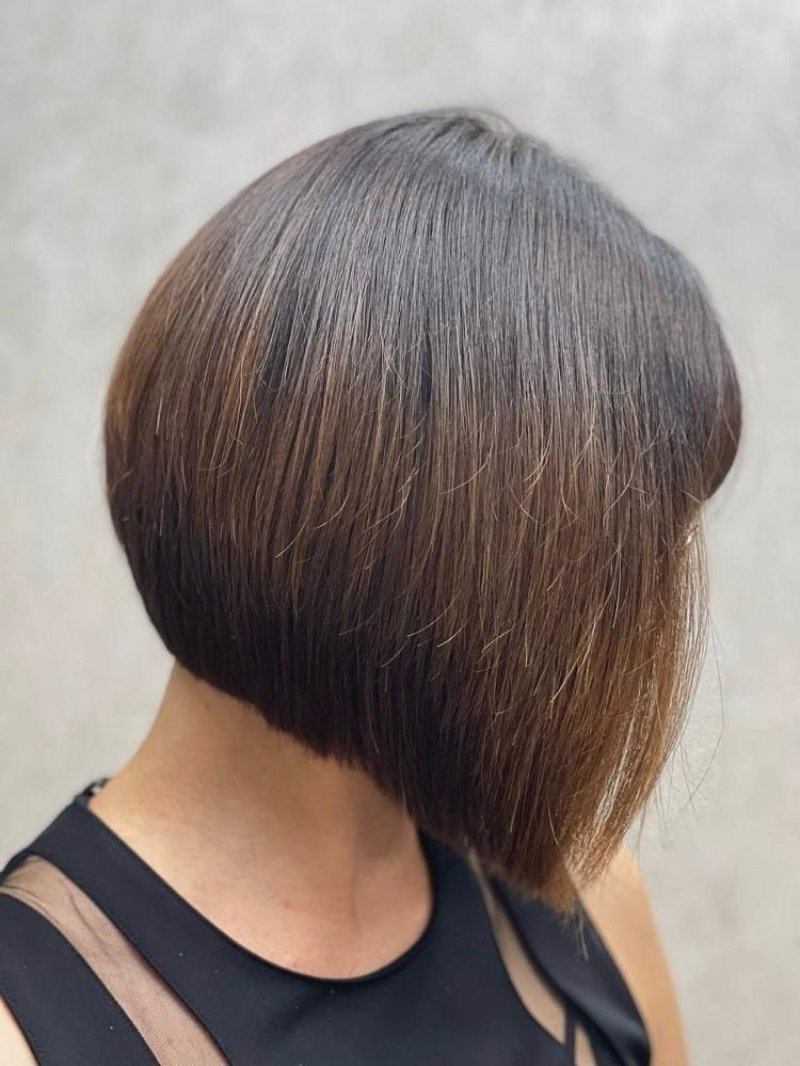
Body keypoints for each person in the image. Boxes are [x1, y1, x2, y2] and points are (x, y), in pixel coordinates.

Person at [0, 107, 741, 1065]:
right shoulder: (26, 1028)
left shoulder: (583, 900)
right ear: (447, 566)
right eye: (619, 562)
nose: (636, 619)